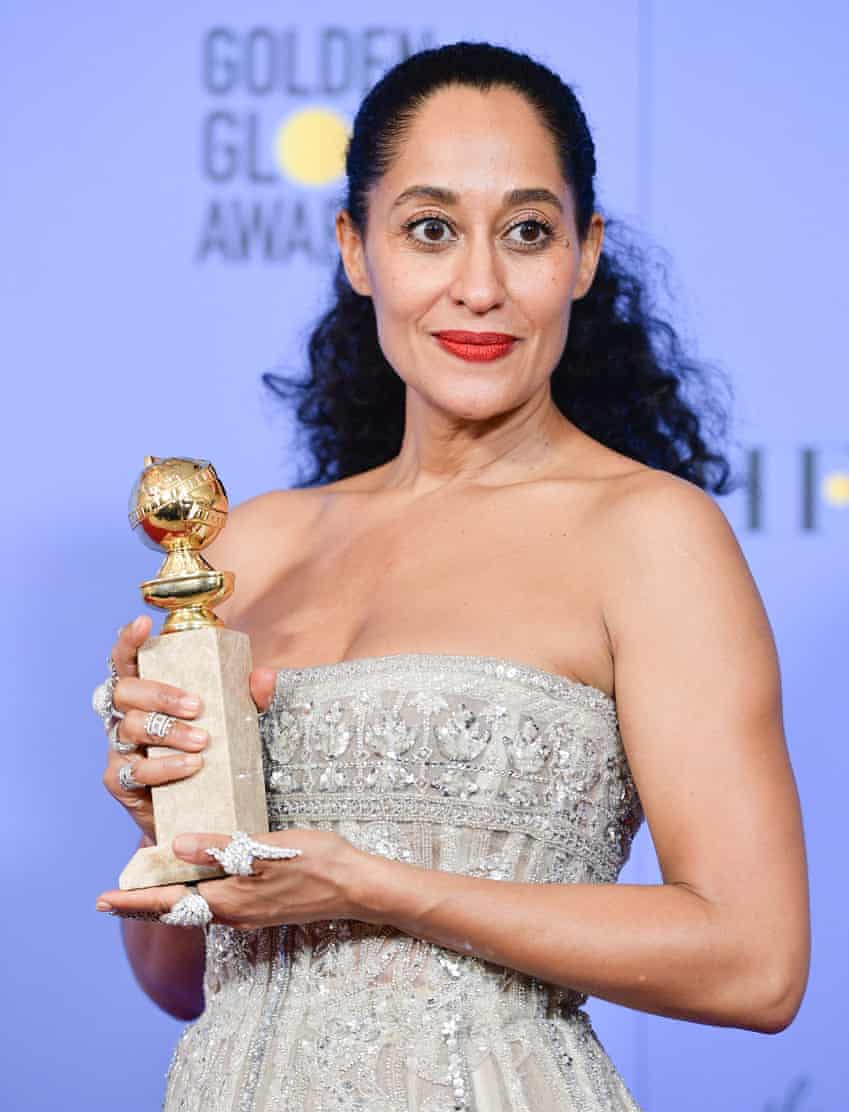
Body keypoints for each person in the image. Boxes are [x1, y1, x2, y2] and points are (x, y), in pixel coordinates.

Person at [94, 40, 810, 1112]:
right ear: (356, 248)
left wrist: (378, 885)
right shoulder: (253, 547)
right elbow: (183, 985)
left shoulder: (650, 534)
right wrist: (160, 827)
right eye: (429, 229)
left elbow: (755, 962)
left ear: (581, 255)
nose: (478, 285)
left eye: (526, 231)